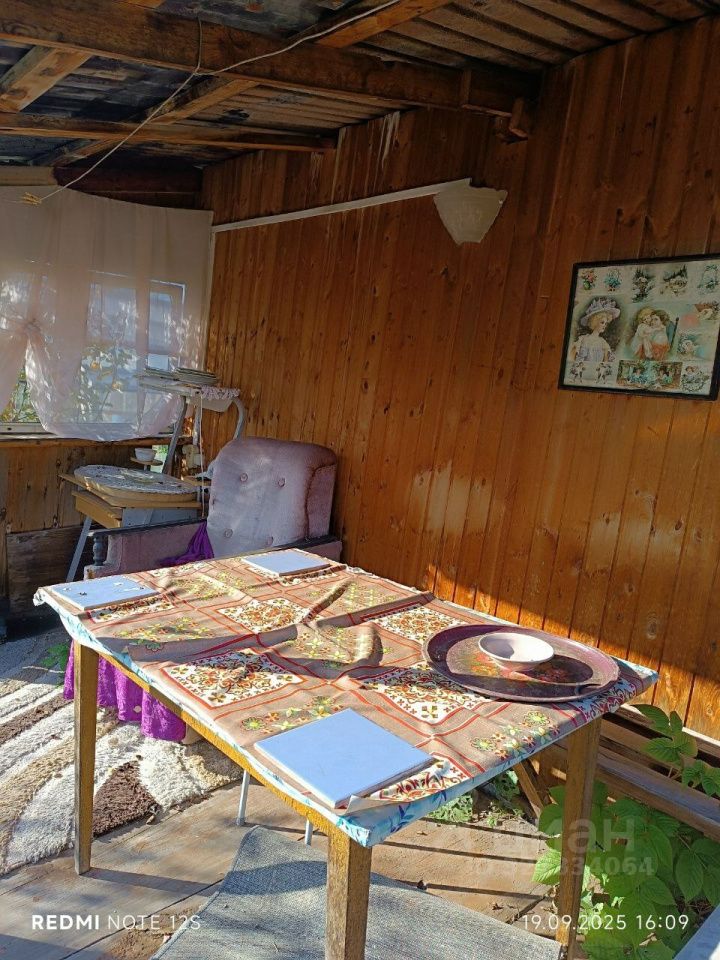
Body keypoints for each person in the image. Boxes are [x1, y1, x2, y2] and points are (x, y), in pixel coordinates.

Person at [570, 298, 620, 365]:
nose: (604, 326)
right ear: (595, 322)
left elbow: (606, 363)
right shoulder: (583, 339)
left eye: (606, 323)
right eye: (602, 322)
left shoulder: (603, 343)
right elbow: (572, 359)